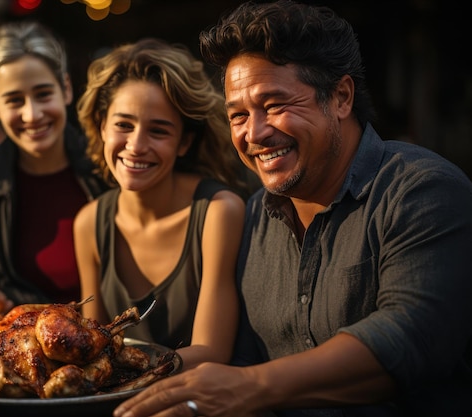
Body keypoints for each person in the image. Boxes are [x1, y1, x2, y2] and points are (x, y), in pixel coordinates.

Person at [113, 1, 472, 417]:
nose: (255, 133)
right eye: (238, 115)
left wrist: (251, 387)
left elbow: (410, 339)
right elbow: (242, 358)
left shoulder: (423, 190)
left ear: (340, 97)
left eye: (275, 105)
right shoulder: (252, 217)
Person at [74, 38, 255, 369]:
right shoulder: (88, 222)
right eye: (123, 125)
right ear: (102, 127)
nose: (136, 145)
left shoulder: (218, 211)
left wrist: (124, 371)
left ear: (184, 142)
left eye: (158, 131)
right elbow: (90, 345)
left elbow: (211, 353)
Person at [0, 21, 109, 307]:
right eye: (14, 100)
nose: (32, 114)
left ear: (65, 89)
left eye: (43, 94)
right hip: (14, 341)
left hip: (107, 339)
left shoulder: (105, 165)